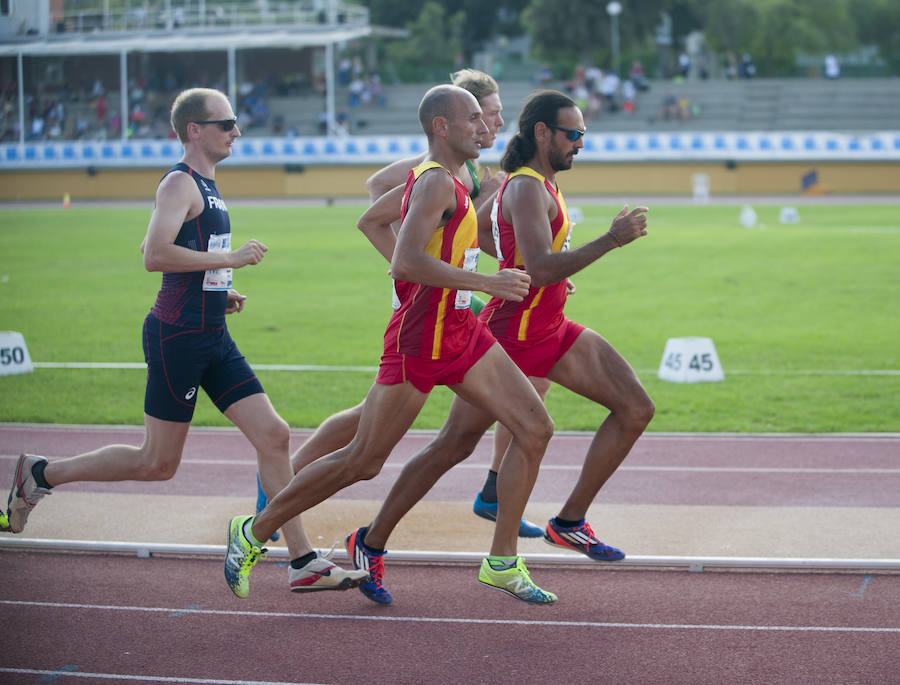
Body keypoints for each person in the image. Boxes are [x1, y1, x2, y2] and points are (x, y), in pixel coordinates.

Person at [2, 87, 367, 595]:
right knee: (157, 462)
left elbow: (182, 250)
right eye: (227, 123)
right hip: (177, 336)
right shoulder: (180, 181)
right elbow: (153, 254)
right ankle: (41, 473)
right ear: (195, 130)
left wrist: (220, 289)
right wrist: (228, 260)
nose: (237, 130)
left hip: (212, 332)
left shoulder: (208, 185)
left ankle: (301, 559)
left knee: (275, 435)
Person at [226, 84, 558, 604]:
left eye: (485, 117)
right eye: (473, 118)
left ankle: (501, 560)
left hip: (461, 331)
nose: (484, 126)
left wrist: (475, 280)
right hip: (421, 337)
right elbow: (404, 261)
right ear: (441, 128)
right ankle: (255, 531)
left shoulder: (456, 178)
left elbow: (427, 248)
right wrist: (485, 285)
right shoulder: (431, 184)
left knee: (535, 426)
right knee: (362, 460)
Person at [343, 89, 654, 604]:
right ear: (542, 134)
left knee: (635, 407)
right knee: (453, 445)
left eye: (583, 134)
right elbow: (538, 266)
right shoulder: (526, 189)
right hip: (511, 334)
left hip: (550, 327)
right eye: (572, 134)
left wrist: (534, 269)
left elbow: (512, 247)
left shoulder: (537, 185)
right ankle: (371, 541)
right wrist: (610, 240)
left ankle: (568, 521)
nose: (581, 142)